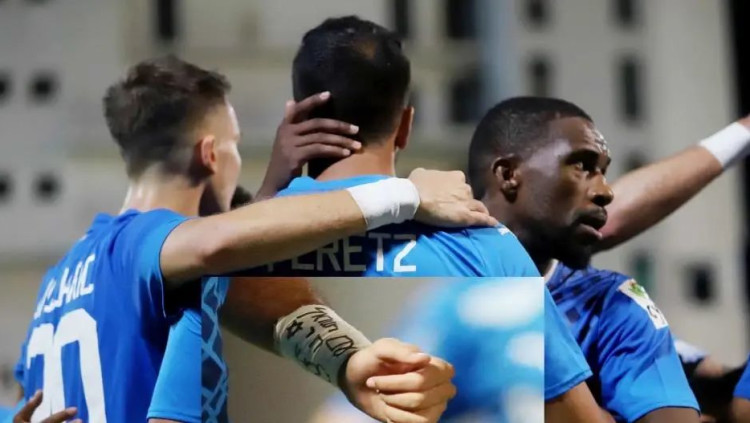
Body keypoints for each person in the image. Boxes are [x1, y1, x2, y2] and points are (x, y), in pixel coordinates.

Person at [13, 55, 489, 423]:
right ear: (210, 155)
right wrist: (405, 194)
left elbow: (244, 284)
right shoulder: (139, 244)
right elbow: (214, 244)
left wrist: (347, 360)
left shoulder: (61, 282)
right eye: (235, 145)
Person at [244, 16, 605, 423]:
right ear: (405, 125)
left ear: (296, 119)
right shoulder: (489, 244)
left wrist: (270, 191)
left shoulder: (244, 244)